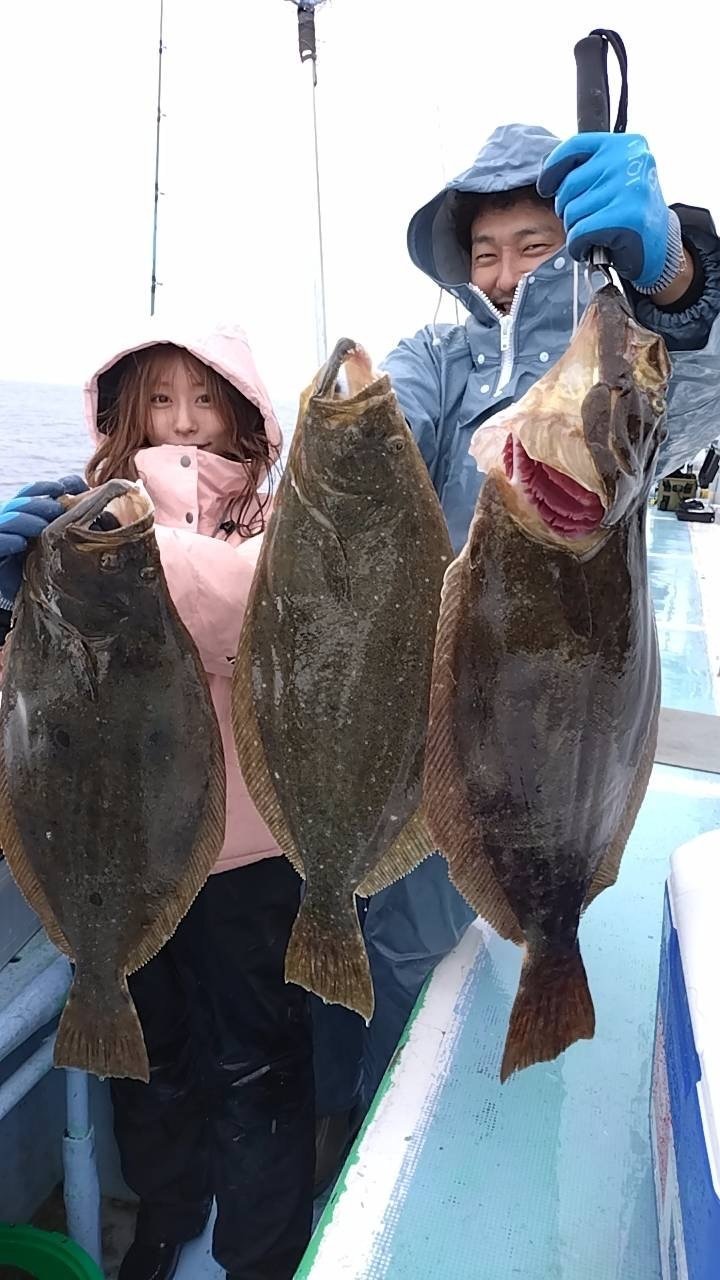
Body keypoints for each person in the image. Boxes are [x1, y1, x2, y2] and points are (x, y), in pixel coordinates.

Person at [312, 121, 720, 1185]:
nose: (503, 271)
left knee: (523, 967)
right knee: (412, 971)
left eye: (533, 244)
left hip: (562, 718)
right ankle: (385, 1159)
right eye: (485, 251)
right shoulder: (437, 357)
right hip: (438, 722)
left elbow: (696, 393)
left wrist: (673, 277)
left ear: (574, 246)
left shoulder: (623, 368)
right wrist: (332, 433)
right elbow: (382, 439)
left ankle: (515, 1159)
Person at [0, 324, 315, 1280]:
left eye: (205, 399)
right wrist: (9, 598)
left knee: (258, 1064)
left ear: (246, 414)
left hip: (251, 861)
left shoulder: (274, 524)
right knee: (151, 1063)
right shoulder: (80, 535)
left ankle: (262, 1254)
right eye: (161, 399)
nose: (182, 421)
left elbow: (263, 614)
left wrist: (121, 553)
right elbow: (24, 703)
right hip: (121, 861)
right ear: (126, 414)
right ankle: (169, 1219)